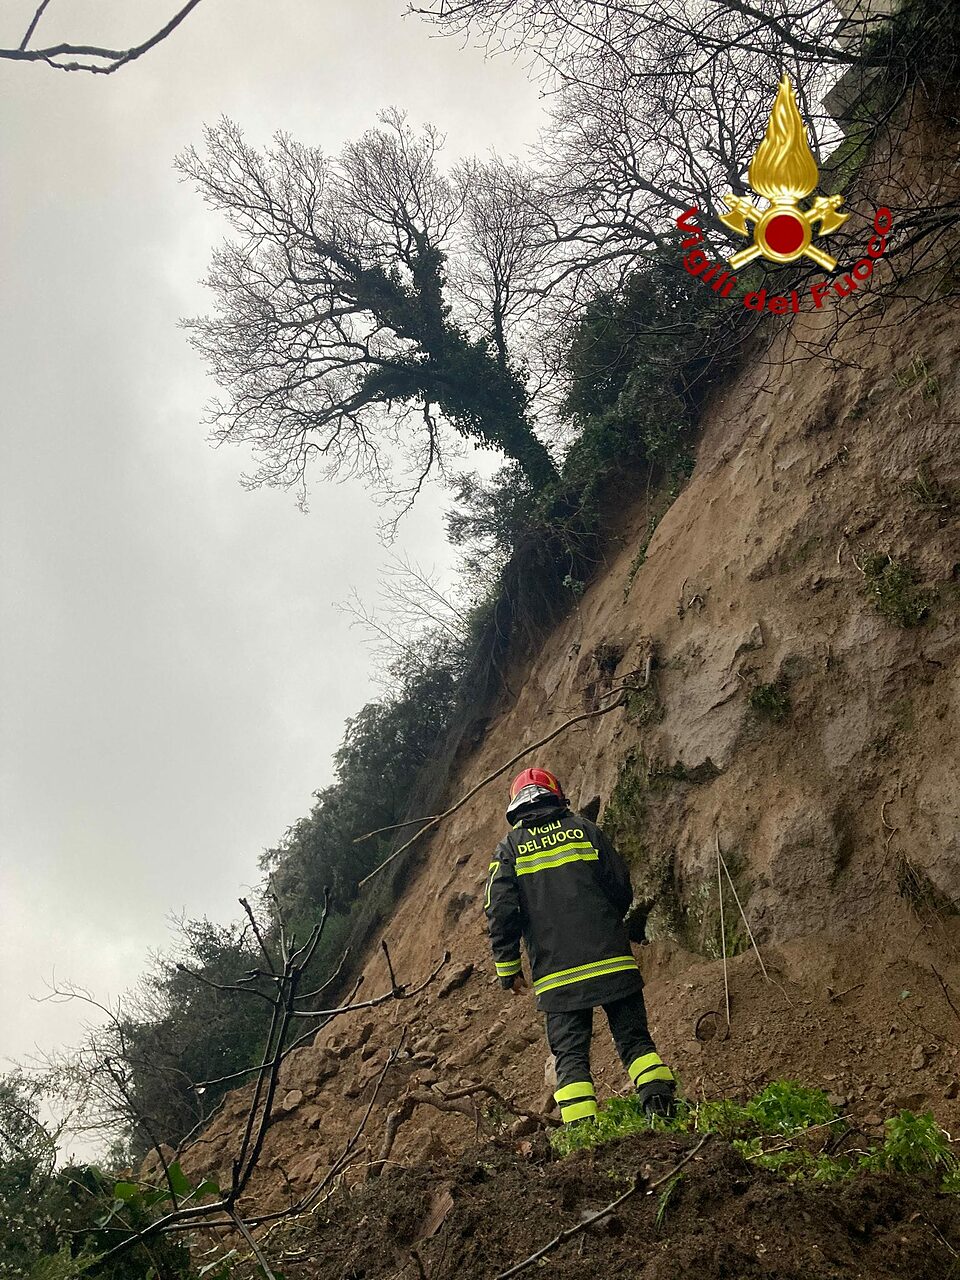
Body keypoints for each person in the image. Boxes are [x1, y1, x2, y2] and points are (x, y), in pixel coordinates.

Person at [484, 766, 676, 1124]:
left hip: (558, 979)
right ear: (557, 796)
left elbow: (500, 911)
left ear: (516, 807)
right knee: (635, 1041)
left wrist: (508, 969)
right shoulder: (585, 830)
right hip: (613, 962)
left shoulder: (509, 850)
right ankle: (662, 1112)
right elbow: (620, 885)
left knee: (570, 1057)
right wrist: (608, 927)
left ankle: (583, 1138)